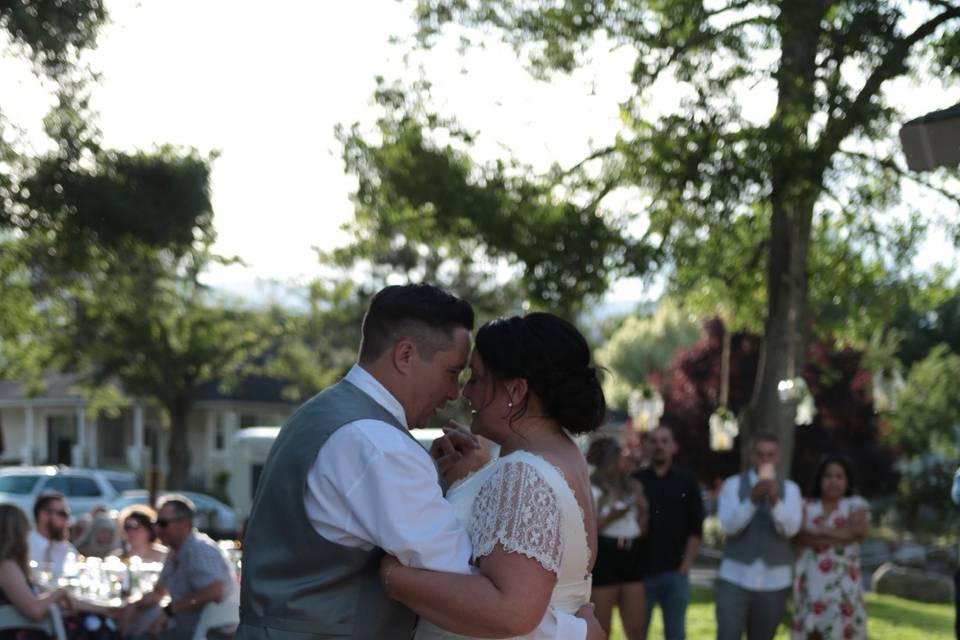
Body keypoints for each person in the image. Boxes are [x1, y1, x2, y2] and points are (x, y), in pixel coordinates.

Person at [235, 285, 600, 640]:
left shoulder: (323, 414)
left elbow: (495, 601)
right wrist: (576, 633)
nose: (457, 392)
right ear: (406, 355)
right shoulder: (378, 445)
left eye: (470, 376)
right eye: (453, 372)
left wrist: (463, 486)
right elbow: (464, 581)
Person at [380, 312, 604, 639]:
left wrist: (393, 577)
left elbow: (510, 610)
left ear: (515, 390)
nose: (465, 392)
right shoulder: (565, 457)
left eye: (477, 377)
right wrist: (467, 480)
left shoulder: (523, 473)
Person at [716, 432, 802, 640]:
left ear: (777, 457)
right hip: (735, 576)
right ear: (751, 456)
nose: (765, 460)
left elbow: (791, 530)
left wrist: (775, 503)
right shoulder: (733, 485)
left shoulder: (790, 489)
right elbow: (728, 527)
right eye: (760, 454)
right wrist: (752, 500)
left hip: (775, 581)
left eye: (770, 455)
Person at [123, 496, 235, 640]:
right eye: (155, 523)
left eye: (163, 523)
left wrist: (170, 610)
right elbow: (159, 592)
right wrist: (133, 605)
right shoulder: (175, 551)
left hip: (209, 634)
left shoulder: (199, 550)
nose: (157, 529)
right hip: (184, 631)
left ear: (184, 523)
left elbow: (214, 590)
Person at [634, 425, 704, 640]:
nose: (659, 446)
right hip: (640, 574)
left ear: (673, 447)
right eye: (654, 441)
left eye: (664, 441)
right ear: (646, 446)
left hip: (676, 573)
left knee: (676, 634)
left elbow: (696, 528)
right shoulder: (635, 481)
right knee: (636, 634)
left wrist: (685, 566)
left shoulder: (688, 482)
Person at [791, 454, 868, 640]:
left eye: (839, 476)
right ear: (820, 478)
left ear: (847, 480)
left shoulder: (855, 504)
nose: (833, 481)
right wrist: (843, 535)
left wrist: (819, 529)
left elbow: (859, 532)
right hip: (811, 583)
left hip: (845, 587)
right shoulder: (806, 505)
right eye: (828, 476)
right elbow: (800, 537)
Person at [587, 437, 648, 639]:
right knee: (603, 629)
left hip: (631, 553)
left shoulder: (632, 487)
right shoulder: (592, 489)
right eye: (621, 455)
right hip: (605, 554)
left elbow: (641, 530)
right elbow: (587, 531)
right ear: (610, 459)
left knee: (638, 630)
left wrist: (644, 511)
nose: (627, 459)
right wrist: (612, 517)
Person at [0, 504, 70, 639]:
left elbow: (42, 591)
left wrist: (102, 609)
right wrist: (60, 592)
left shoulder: (12, 565)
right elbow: (34, 610)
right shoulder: (6, 566)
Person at [28, 494, 78, 580]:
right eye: (63, 514)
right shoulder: (23, 546)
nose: (67, 520)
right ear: (43, 515)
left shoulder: (68, 549)